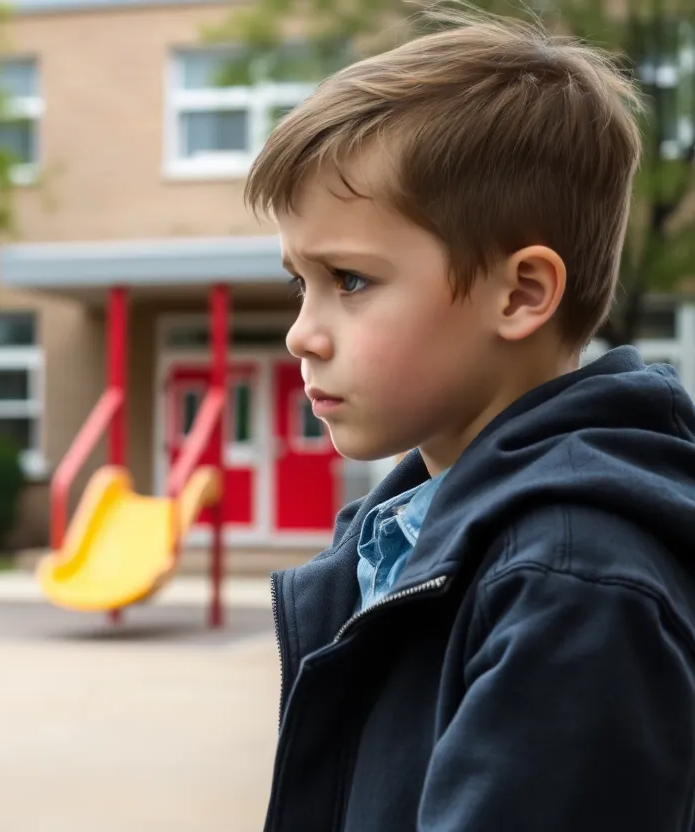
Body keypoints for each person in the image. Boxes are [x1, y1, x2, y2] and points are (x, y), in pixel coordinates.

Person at [247, 9, 695, 832]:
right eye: (296, 283)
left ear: (521, 293)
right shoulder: (403, 535)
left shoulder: (572, 584)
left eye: (349, 279)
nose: (300, 333)